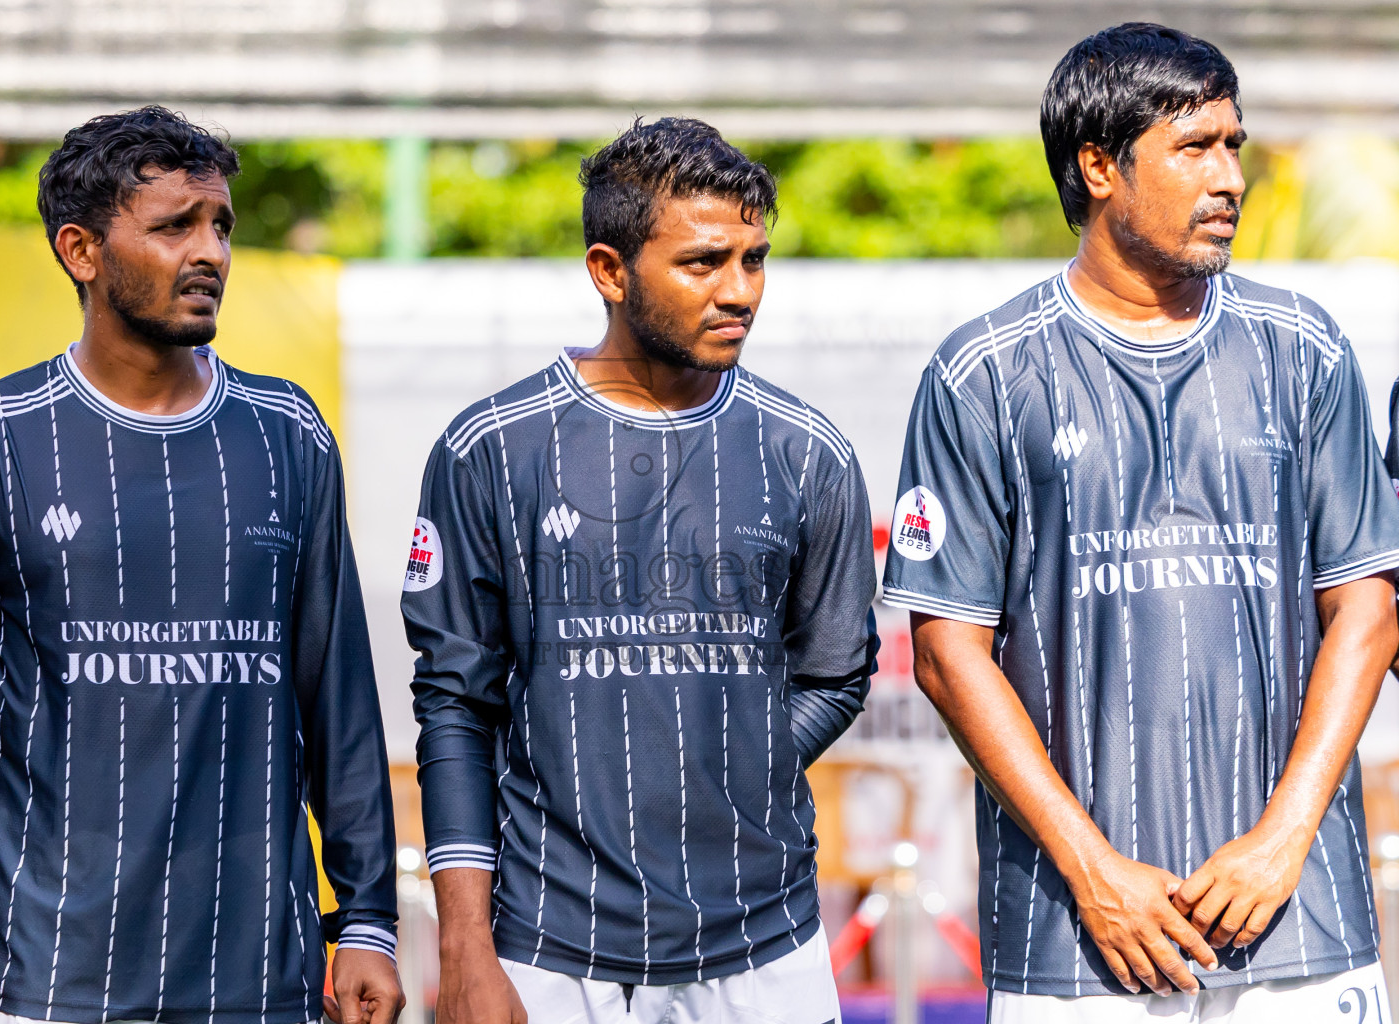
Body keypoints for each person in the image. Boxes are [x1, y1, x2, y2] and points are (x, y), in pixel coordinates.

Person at [884, 23, 1399, 1023]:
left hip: (1303, 924)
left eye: (1234, 145)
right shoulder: (982, 375)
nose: (1230, 178)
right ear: (1098, 167)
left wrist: (1282, 840)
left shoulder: (1307, 353)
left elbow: (1369, 608)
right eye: (1194, 146)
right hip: (1079, 940)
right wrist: (1096, 869)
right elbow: (948, 653)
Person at [0, 106, 403, 1024]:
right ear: (80, 250)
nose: (210, 251)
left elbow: (341, 700)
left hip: (262, 979)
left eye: (220, 225)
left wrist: (365, 919)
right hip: (43, 975)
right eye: (174, 226)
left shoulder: (288, 432)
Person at [401, 117, 879, 1024]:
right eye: (703, 263)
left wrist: (722, 769)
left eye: (755, 259)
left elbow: (834, 675)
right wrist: (462, 944)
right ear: (609, 271)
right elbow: (456, 704)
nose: (739, 290)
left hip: (764, 938)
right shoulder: (489, 451)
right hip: (548, 945)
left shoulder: (809, 452)